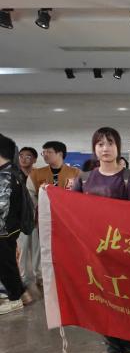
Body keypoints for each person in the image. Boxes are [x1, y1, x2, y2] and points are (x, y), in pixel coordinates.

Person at [72, 127, 130, 353]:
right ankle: (112, 348)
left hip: (123, 251)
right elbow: (71, 209)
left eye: (110, 143)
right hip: (94, 251)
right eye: (100, 144)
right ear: (94, 148)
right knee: (101, 300)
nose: (105, 148)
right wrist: (48, 193)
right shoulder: (84, 179)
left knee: (125, 299)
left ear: (118, 147)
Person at [26, 141, 81, 302]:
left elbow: (82, 197)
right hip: (44, 220)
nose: (45, 155)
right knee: (44, 249)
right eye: (43, 152)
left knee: (68, 250)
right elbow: (30, 197)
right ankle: (42, 278)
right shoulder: (36, 174)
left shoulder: (75, 173)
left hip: (68, 221)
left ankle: (68, 277)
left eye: (48, 152)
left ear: (60, 153)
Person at [0, 134, 31, 315]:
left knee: (6, 265)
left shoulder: (5, 176)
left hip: (3, 230)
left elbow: (2, 208)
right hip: (10, 229)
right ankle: (22, 294)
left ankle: (15, 299)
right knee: (8, 263)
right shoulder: (11, 172)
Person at [16, 147, 39, 294]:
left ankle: (38, 277)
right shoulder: (13, 174)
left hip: (36, 218)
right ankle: (23, 278)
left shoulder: (38, 175)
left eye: (28, 156)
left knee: (37, 249)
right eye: (21, 156)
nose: (24, 159)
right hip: (19, 219)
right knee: (22, 249)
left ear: (34, 159)